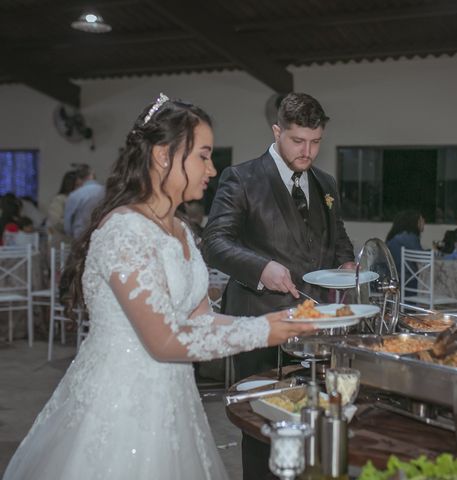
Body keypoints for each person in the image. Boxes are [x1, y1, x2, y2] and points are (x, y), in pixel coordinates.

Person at [2, 93, 314, 480]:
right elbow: (163, 340)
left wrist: (281, 318)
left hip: (174, 399)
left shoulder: (180, 230)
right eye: (202, 155)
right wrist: (268, 330)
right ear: (163, 156)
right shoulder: (123, 230)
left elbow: (202, 319)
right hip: (118, 408)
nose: (212, 169)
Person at [202, 92, 355, 479]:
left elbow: (339, 239)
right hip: (258, 323)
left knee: (314, 420)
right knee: (262, 428)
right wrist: (260, 267)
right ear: (276, 131)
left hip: (314, 323)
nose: (307, 151)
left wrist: (348, 263)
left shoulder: (326, 183)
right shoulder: (241, 177)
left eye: (316, 142)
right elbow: (214, 243)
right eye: (297, 140)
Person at [63, 163, 105, 239]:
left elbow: (67, 225)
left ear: (78, 179)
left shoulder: (75, 195)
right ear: (92, 175)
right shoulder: (106, 192)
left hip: (80, 237)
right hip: (102, 236)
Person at [47, 170, 78, 247]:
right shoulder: (59, 199)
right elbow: (56, 221)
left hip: (76, 240)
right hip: (62, 241)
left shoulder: (80, 198)